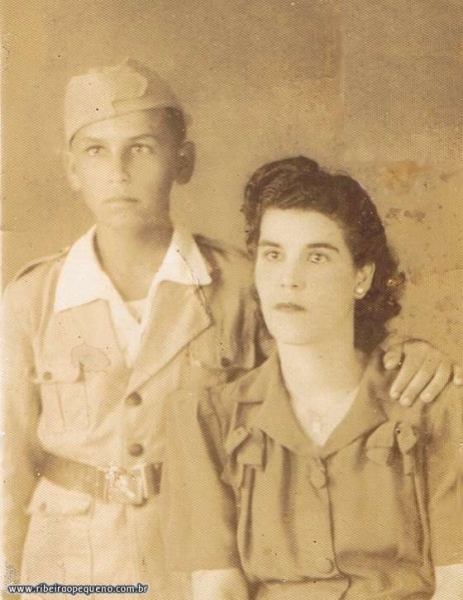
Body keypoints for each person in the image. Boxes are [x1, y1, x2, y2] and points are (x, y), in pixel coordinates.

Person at [1, 60, 460, 600]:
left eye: (141, 148)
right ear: (71, 168)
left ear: (183, 161)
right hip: (68, 566)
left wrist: (410, 353)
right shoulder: (33, 299)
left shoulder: (243, 282)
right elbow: (5, 465)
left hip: (197, 560)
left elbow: (327, 352)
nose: (118, 172)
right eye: (96, 150)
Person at [165, 157, 463, 600]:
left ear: (361, 277)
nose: (289, 279)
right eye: (273, 255)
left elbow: (458, 583)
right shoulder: (209, 418)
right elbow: (218, 589)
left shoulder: (436, 405)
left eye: (317, 257)